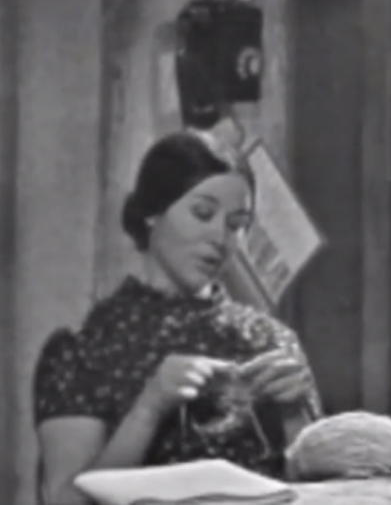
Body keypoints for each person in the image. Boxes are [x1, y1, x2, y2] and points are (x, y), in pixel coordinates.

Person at [34, 131, 322, 504]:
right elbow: (66, 502)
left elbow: (326, 491)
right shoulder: (82, 350)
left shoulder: (271, 340)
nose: (220, 237)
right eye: (203, 213)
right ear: (152, 212)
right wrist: (148, 409)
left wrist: (295, 413)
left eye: (236, 224)